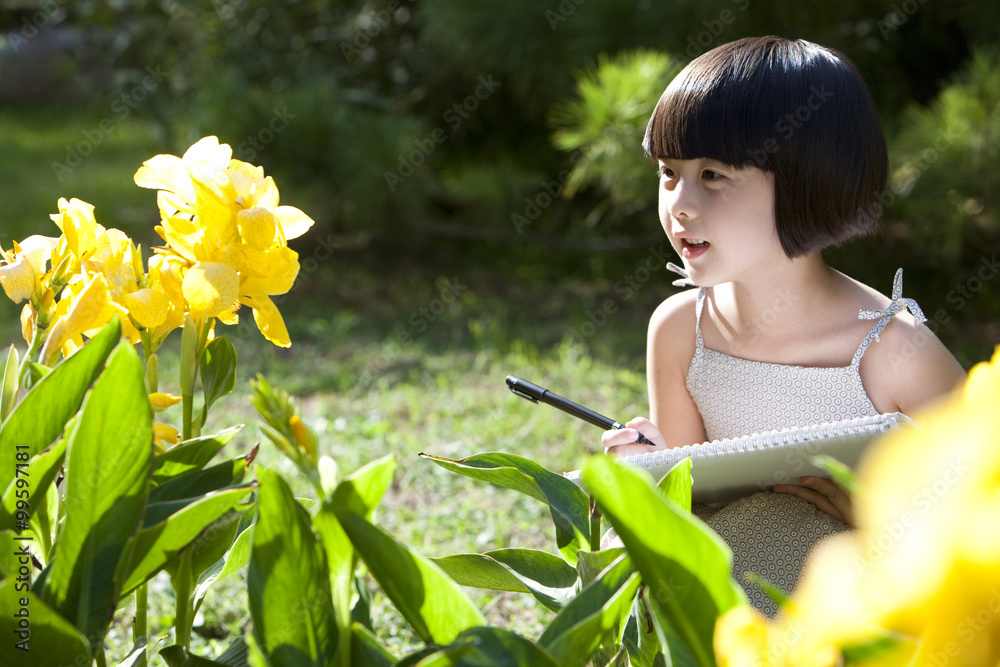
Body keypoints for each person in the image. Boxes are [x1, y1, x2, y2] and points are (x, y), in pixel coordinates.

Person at [600, 36, 967, 616]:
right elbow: (691, 517)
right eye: (669, 173)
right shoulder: (679, 330)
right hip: (723, 619)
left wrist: (880, 519)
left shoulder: (892, 352)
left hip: (862, 621)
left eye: (714, 175)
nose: (680, 205)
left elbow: (977, 520)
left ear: (808, 181)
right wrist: (646, 472)